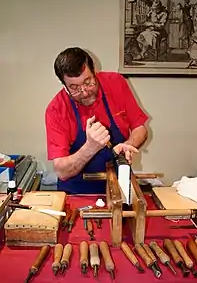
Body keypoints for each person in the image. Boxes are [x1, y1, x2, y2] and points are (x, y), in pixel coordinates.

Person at [45, 47, 149, 194]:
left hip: (119, 187)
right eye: (74, 88)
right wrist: (90, 147)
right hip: (76, 194)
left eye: (88, 82)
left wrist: (128, 145)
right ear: (64, 86)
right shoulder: (56, 110)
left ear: (94, 72)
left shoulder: (115, 83)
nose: (84, 92)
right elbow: (62, 171)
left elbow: (140, 129)